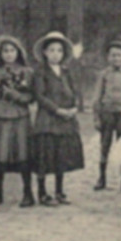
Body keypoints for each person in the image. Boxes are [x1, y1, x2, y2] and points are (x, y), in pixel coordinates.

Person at [0, 36, 35, 207]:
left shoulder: (27, 72)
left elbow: (32, 95)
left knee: (23, 153)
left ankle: (27, 193)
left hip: (20, 116)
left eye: (12, 51)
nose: (9, 55)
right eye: (5, 51)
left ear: (18, 52)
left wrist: (16, 95)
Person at [31, 32, 85, 206]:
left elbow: (74, 91)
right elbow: (39, 95)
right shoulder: (40, 72)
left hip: (65, 120)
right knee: (45, 156)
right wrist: (57, 110)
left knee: (61, 155)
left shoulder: (66, 72)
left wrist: (75, 107)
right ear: (45, 53)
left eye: (59, 51)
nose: (55, 54)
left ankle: (59, 191)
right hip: (47, 119)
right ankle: (42, 193)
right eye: (52, 50)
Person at [92, 36, 121, 191]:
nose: (116, 58)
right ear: (108, 57)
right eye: (113, 55)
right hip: (107, 113)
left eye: (120, 55)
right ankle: (102, 177)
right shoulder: (104, 74)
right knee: (105, 145)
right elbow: (97, 96)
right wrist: (96, 117)